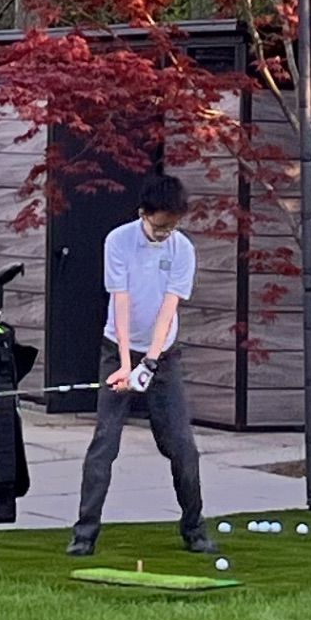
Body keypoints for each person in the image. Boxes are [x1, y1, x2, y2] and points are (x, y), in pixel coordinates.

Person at [68, 171, 207, 555]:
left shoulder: (182, 249)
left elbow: (168, 310)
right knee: (105, 443)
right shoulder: (118, 241)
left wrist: (150, 362)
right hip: (117, 350)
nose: (165, 234)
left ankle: (195, 530)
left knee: (182, 446)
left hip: (164, 355)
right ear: (143, 213)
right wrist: (127, 365)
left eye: (172, 227)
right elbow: (121, 303)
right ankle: (84, 534)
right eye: (160, 227)